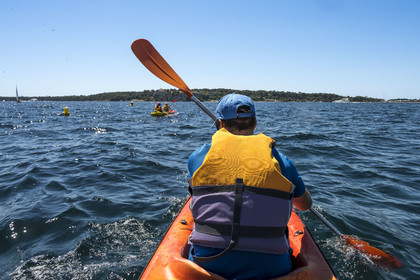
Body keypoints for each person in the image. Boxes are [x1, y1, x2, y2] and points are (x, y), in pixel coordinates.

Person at [187, 93, 312, 280]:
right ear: (254, 123)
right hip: (272, 269)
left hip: (209, 264)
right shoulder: (281, 161)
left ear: (220, 124)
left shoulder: (197, 157)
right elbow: (304, 205)